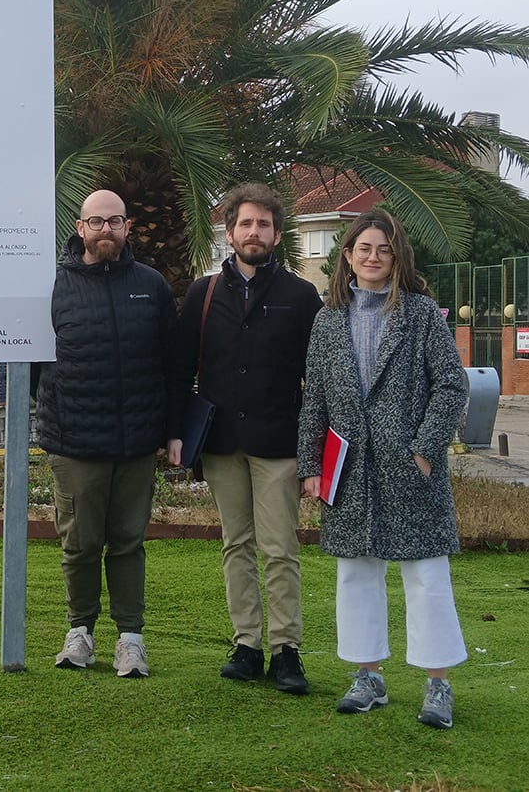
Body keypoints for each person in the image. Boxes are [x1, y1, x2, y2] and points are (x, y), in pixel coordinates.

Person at [297, 209, 469, 729]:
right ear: (346, 257)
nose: (373, 257)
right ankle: (367, 677)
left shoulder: (420, 315)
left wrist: (424, 450)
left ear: (397, 259)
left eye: (383, 250)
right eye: (363, 249)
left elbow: (452, 386)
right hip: (348, 470)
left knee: (426, 577)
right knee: (355, 576)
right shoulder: (327, 321)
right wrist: (310, 465)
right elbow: (316, 401)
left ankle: (438, 684)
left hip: (410, 468)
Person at [171, 183, 323, 693]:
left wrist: (313, 455)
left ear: (277, 234)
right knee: (236, 544)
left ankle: (286, 651)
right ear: (230, 232)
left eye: (263, 224)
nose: (253, 231)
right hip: (221, 443)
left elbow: (318, 381)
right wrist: (174, 433)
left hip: (278, 442)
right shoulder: (203, 292)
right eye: (245, 223)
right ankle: (247, 645)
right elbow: (180, 368)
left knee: (280, 549)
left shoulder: (301, 297)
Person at [35, 189, 178, 678]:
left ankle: (130, 640)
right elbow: (37, 366)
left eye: (114, 221)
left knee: (127, 543)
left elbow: (170, 363)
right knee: (78, 544)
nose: (105, 230)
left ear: (128, 227)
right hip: (75, 445)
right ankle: (80, 633)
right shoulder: (52, 287)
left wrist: (168, 428)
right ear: (80, 228)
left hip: (136, 442)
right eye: (95, 222)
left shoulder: (151, 285)